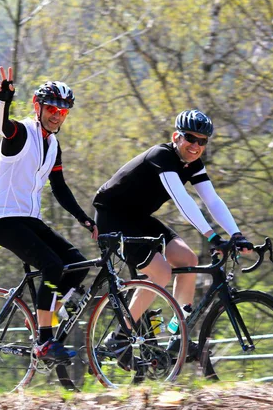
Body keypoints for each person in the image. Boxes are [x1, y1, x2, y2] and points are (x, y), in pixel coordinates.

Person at [92, 109, 252, 363]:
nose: (196, 146)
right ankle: (120, 337)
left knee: (187, 260)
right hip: (113, 218)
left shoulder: (192, 164)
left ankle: (178, 338)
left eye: (202, 141)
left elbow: (211, 199)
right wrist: (212, 237)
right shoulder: (162, 156)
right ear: (176, 136)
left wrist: (237, 234)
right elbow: (182, 199)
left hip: (139, 219)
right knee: (161, 273)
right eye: (191, 138)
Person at [0, 66, 99, 362]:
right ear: (38, 107)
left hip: (30, 219)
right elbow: (1, 126)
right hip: (5, 220)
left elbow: (59, 187)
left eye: (63, 112)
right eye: (51, 108)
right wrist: (4, 100)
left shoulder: (53, 145)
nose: (56, 115)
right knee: (51, 264)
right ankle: (45, 340)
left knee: (76, 263)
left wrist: (85, 220)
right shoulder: (21, 132)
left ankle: (40, 315)